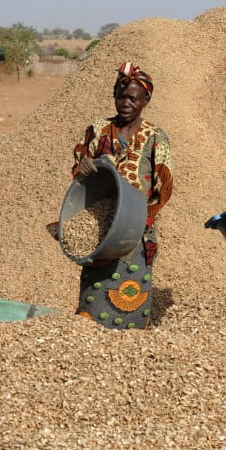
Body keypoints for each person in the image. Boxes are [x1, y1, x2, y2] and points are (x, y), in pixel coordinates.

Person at [50, 61, 173, 329]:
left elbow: (165, 184)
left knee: (132, 290)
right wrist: (82, 167)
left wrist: (143, 217)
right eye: (121, 96)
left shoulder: (155, 136)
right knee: (95, 294)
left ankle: (131, 344)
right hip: (98, 229)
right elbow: (80, 167)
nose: (125, 103)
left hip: (137, 231)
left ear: (146, 100)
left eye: (133, 98)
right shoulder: (98, 130)